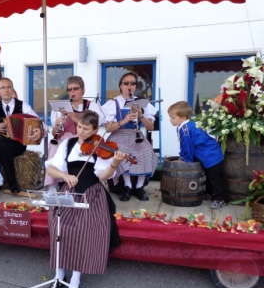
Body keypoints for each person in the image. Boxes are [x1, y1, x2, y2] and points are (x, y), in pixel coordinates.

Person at [45, 110, 123, 288]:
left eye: (86, 128)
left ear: (96, 129)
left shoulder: (101, 147)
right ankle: (59, 276)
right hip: (68, 192)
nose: (80, 131)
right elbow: (51, 167)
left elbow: (103, 176)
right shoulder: (68, 143)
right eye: (79, 126)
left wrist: (114, 162)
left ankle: (75, 281)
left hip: (91, 193)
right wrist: (64, 176)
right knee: (58, 228)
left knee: (81, 231)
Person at [101, 71, 158, 201]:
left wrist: (141, 115)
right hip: (118, 135)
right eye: (126, 83)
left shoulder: (143, 103)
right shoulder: (113, 103)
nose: (129, 86)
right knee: (123, 150)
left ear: (136, 86)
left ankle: (139, 187)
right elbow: (108, 128)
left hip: (136, 134)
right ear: (120, 86)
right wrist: (125, 120)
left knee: (147, 151)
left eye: (132, 83)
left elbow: (150, 127)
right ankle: (127, 185)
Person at [0, 77, 48, 194]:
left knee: (2, 145)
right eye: (3, 88)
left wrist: (40, 130)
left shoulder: (23, 106)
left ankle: (12, 184)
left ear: (13, 90)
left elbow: (41, 124)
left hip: (17, 144)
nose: (6, 90)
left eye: (9, 87)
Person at [44, 76, 105, 192]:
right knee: (54, 147)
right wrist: (57, 125)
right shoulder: (60, 107)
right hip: (65, 138)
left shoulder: (91, 106)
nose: (72, 92)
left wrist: (74, 117)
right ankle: (52, 189)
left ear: (83, 89)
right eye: (70, 89)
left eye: (75, 89)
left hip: (84, 138)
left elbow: (95, 127)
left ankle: (74, 183)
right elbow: (54, 134)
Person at [168, 101, 225, 209]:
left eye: (173, 118)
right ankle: (209, 192)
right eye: (170, 117)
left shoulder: (186, 129)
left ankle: (219, 198)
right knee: (207, 175)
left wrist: (185, 160)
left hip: (211, 155)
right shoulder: (184, 126)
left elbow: (187, 146)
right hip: (207, 154)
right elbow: (185, 145)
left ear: (183, 118)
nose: (170, 120)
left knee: (214, 178)